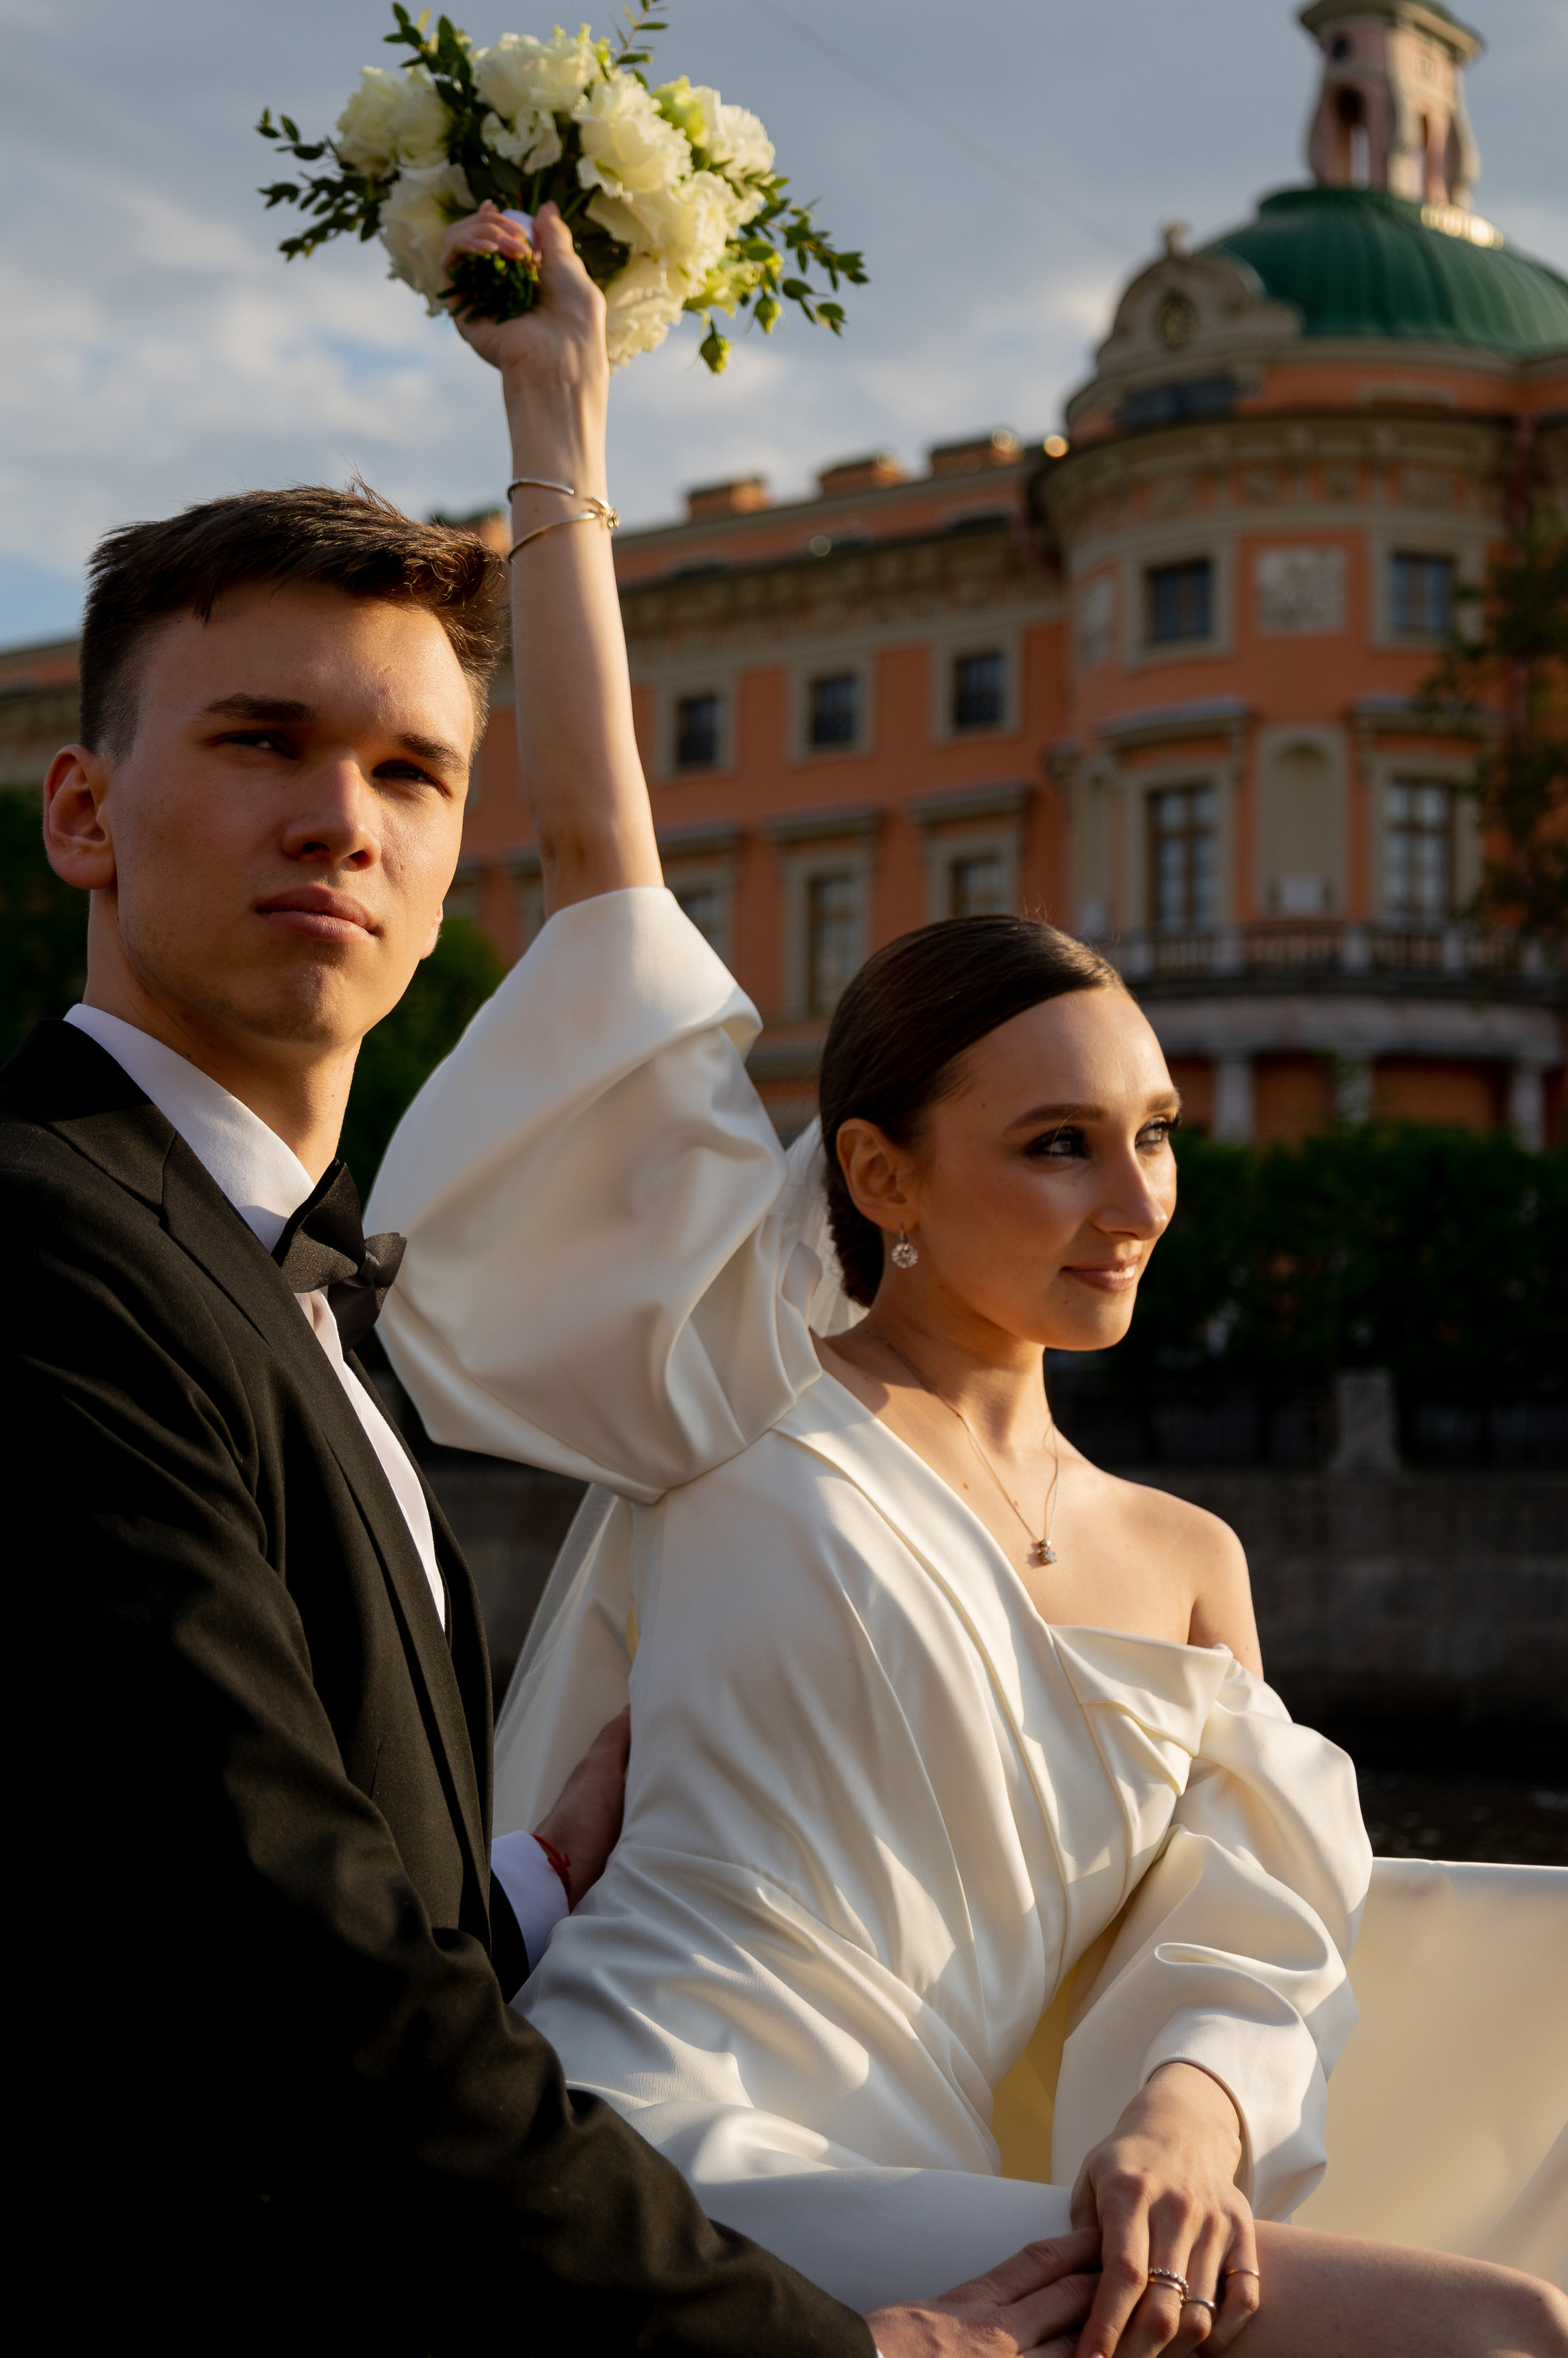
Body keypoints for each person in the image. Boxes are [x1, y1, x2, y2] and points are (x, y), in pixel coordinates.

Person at [0, 242, 1122, 2357]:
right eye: (261, 742)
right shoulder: (28, 1252)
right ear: (81, 810)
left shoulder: (282, 1288)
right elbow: (291, 1988)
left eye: (414, 775)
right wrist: (837, 2353)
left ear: (451, 878)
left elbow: (262, 1902)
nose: (339, 818)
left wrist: (528, 1886)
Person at [368, 200, 1568, 2358]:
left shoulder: (1190, 1556)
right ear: (875, 1177)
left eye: (1157, 1140)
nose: (1134, 1198)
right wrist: (560, 422)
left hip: (965, 2195)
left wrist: (1191, 2125)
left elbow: (1247, 1931)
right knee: (1490, 2338)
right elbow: (610, 895)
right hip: (656, 2155)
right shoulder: (737, 1382)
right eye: (1056, 1145)